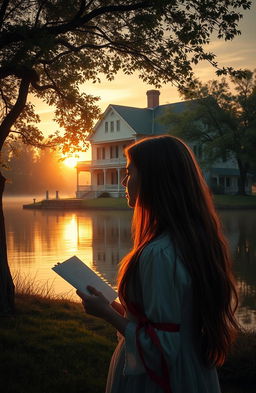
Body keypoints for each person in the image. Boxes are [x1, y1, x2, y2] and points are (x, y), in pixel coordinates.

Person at [77, 135, 239, 393]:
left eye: (130, 173)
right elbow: (162, 319)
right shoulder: (194, 242)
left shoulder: (159, 253)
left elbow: (161, 346)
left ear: (153, 179)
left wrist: (106, 314)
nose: (123, 181)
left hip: (159, 380)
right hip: (193, 369)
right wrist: (114, 306)